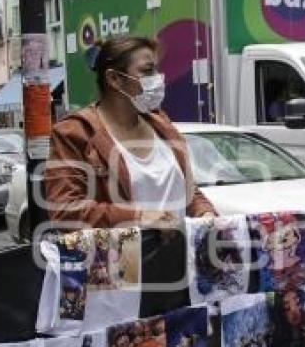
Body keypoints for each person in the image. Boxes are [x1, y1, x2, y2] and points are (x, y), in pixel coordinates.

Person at [45, 36, 216, 229]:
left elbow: (187, 190)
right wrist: (137, 217)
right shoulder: (75, 133)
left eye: (156, 70)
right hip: (121, 257)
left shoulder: (161, 123)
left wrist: (205, 212)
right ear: (114, 79)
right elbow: (65, 210)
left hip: (179, 256)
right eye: (147, 71)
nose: (158, 79)